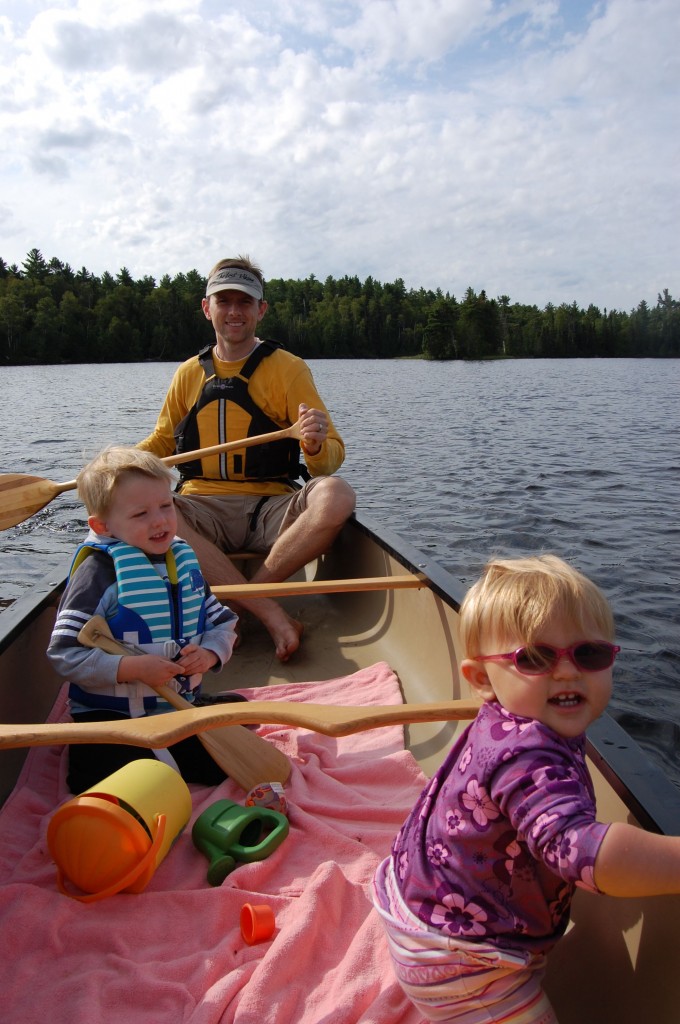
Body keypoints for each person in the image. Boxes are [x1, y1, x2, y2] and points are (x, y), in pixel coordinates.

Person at [372, 554, 680, 1023]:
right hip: (462, 961)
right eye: (534, 658)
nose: (566, 672)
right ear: (481, 679)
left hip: (420, 904)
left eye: (589, 653)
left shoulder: (513, 717)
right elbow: (579, 852)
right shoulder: (527, 753)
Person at [137, 255, 356, 662]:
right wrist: (117, 462)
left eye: (244, 302)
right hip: (201, 506)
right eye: (224, 301)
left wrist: (313, 444)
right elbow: (162, 443)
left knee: (337, 495)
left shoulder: (288, 370)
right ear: (207, 308)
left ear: (261, 310)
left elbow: (328, 464)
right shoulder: (188, 374)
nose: (234, 312)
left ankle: (236, 607)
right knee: (149, 511)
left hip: (271, 505)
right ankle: (268, 609)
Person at [47, 446, 240, 793]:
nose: (160, 521)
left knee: (220, 771)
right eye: (140, 514)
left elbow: (222, 623)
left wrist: (210, 654)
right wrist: (131, 670)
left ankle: (202, 712)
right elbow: (65, 654)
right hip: (109, 720)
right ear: (102, 525)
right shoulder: (98, 576)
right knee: (103, 786)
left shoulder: (179, 560)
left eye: (166, 506)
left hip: (175, 709)